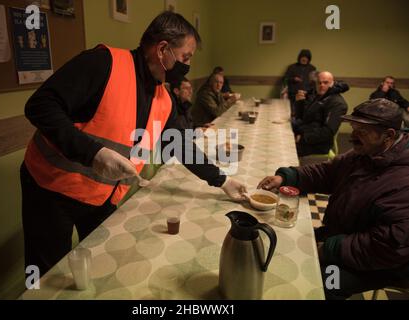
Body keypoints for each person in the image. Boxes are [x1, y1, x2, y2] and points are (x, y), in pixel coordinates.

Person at [21, 11, 247, 276]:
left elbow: (180, 145)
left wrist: (222, 180)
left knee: (99, 266)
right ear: (163, 49)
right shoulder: (102, 63)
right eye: (185, 58)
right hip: (49, 188)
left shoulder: (164, 99)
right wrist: (93, 153)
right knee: (46, 277)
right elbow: (39, 106)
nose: (187, 66)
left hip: (102, 196)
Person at [257, 98, 409, 299]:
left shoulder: (403, 180)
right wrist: (287, 177)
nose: (353, 136)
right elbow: (327, 172)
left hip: (379, 265)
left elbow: (388, 247)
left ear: (388, 135)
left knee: (319, 283)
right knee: (283, 243)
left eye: (362, 131)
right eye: (353, 127)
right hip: (338, 239)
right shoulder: (368, 152)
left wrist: (331, 249)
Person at [292, 71, 348, 157]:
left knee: (285, 149)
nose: (321, 85)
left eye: (325, 82)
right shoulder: (319, 96)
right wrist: (300, 102)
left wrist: (302, 138)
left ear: (332, 84)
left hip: (319, 145)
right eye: (319, 83)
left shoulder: (337, 103)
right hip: (305, 134)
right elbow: (302, 117)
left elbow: (327, 132)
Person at [284, 49, 317, 115]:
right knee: (292, 113)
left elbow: (314, 82)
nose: (304, 59)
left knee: (304, 113)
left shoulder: (312, 68)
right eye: (303, 57)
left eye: (306, 58)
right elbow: (285, 80)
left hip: (307, 95)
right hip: (293, 94)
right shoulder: (292, 67)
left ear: (309, 59)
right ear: (299, 58)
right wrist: (294, 79)